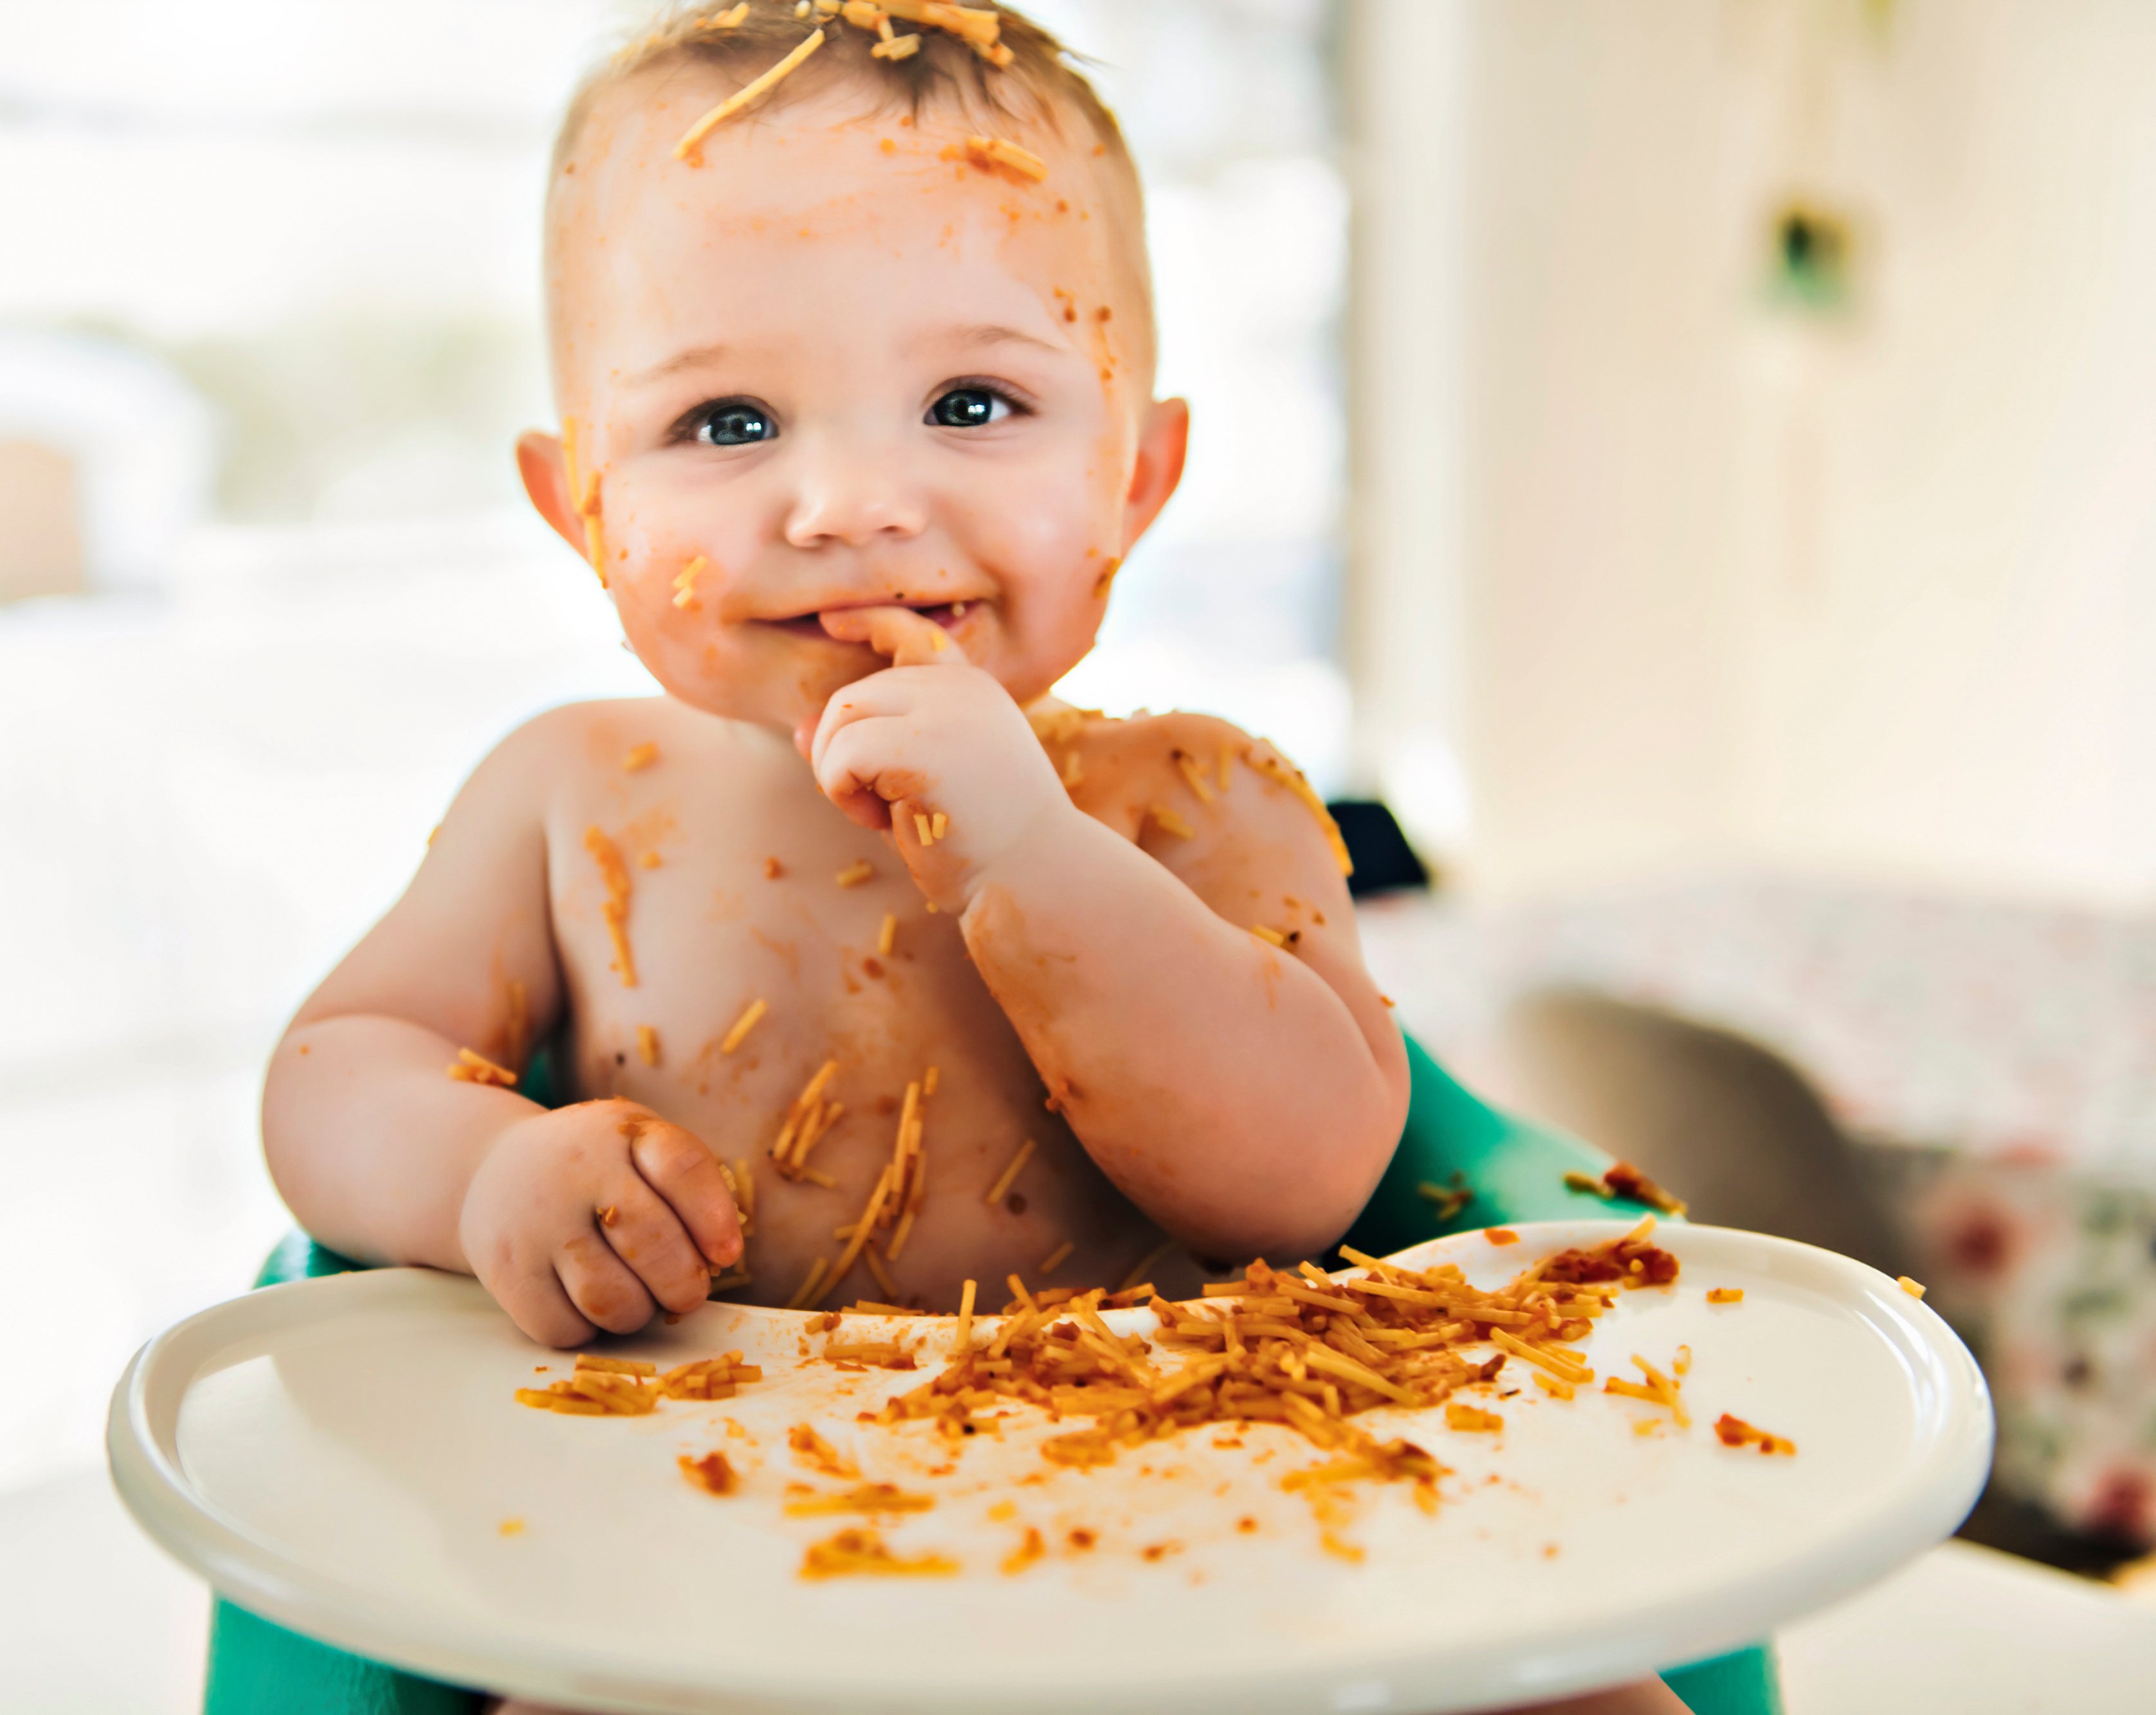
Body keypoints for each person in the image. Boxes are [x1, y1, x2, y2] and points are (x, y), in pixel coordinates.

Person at [262, 8, 1688, 1712]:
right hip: (708, 1568)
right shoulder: (571, 797)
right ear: (584, 512)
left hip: (1214, 1542)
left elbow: (1312, 1175)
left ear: (1133, 477)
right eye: (727, 424)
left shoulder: (1200, 801)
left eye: (971, 401)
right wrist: (489, 1170)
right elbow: (336, 1072)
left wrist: (1027, 851)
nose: (855, 502)